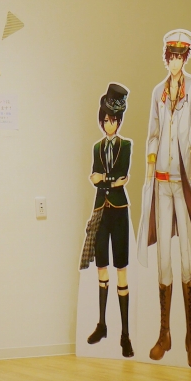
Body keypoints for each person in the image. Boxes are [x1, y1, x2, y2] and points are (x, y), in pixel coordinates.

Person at [136, 30, 191, 369]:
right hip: (160, 181)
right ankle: (164, 333)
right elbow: (153, 134)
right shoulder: (158, 92)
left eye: (180, 56)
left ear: (185, 58)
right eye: (171, 56)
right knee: (164, 259)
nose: (174, 62)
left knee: (187, 256)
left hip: (183, 180)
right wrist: (149, 172)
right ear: (166, 57)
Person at [80, 84, 134, 357]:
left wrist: (104, 180)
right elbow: (94, 175)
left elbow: (122, 175)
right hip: (101, 209)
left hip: (119, 210)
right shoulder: (96, 147)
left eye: (113, 120)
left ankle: (125, 334)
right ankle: (102, 324)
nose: (109, 124)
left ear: (119, 121)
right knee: (102, 267)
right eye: (106, 120)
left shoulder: (126, 145)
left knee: (121, 268)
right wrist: (103, 180)